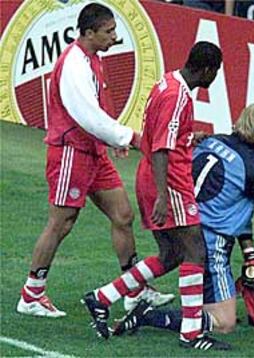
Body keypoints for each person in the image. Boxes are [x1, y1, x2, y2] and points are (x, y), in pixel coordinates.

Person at [16, 3, 173, 319]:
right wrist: (128, 137)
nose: (114, 37)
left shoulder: (92, 60)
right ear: (89, 33)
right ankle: (31, 294)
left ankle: (134, 290)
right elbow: (86, 115)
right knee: (62, 222)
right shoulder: (74, 65)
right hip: (71, 153)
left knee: (123, 215)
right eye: (109, 31)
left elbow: (99, 110)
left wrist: (109, 139)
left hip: (92, 152)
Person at [111, 103, 254, 336]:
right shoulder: (253, 168)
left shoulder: (212, 141)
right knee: (224, 322)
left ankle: (104, 296)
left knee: (166, 258)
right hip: (212, 242)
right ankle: (149, 316)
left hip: (184, 224)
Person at [82, 41, 233, 351]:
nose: (215, 77)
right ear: (206, 69)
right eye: (215, 71)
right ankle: (191, 334)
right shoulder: (177, 96)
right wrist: (164, 195)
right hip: (169, 181)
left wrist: (191, 137)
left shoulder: (166, 82)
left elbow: (161, 135)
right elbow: (162, 147)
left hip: (153, 176)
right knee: (195, 252)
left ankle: (102, 298)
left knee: (172, 255)